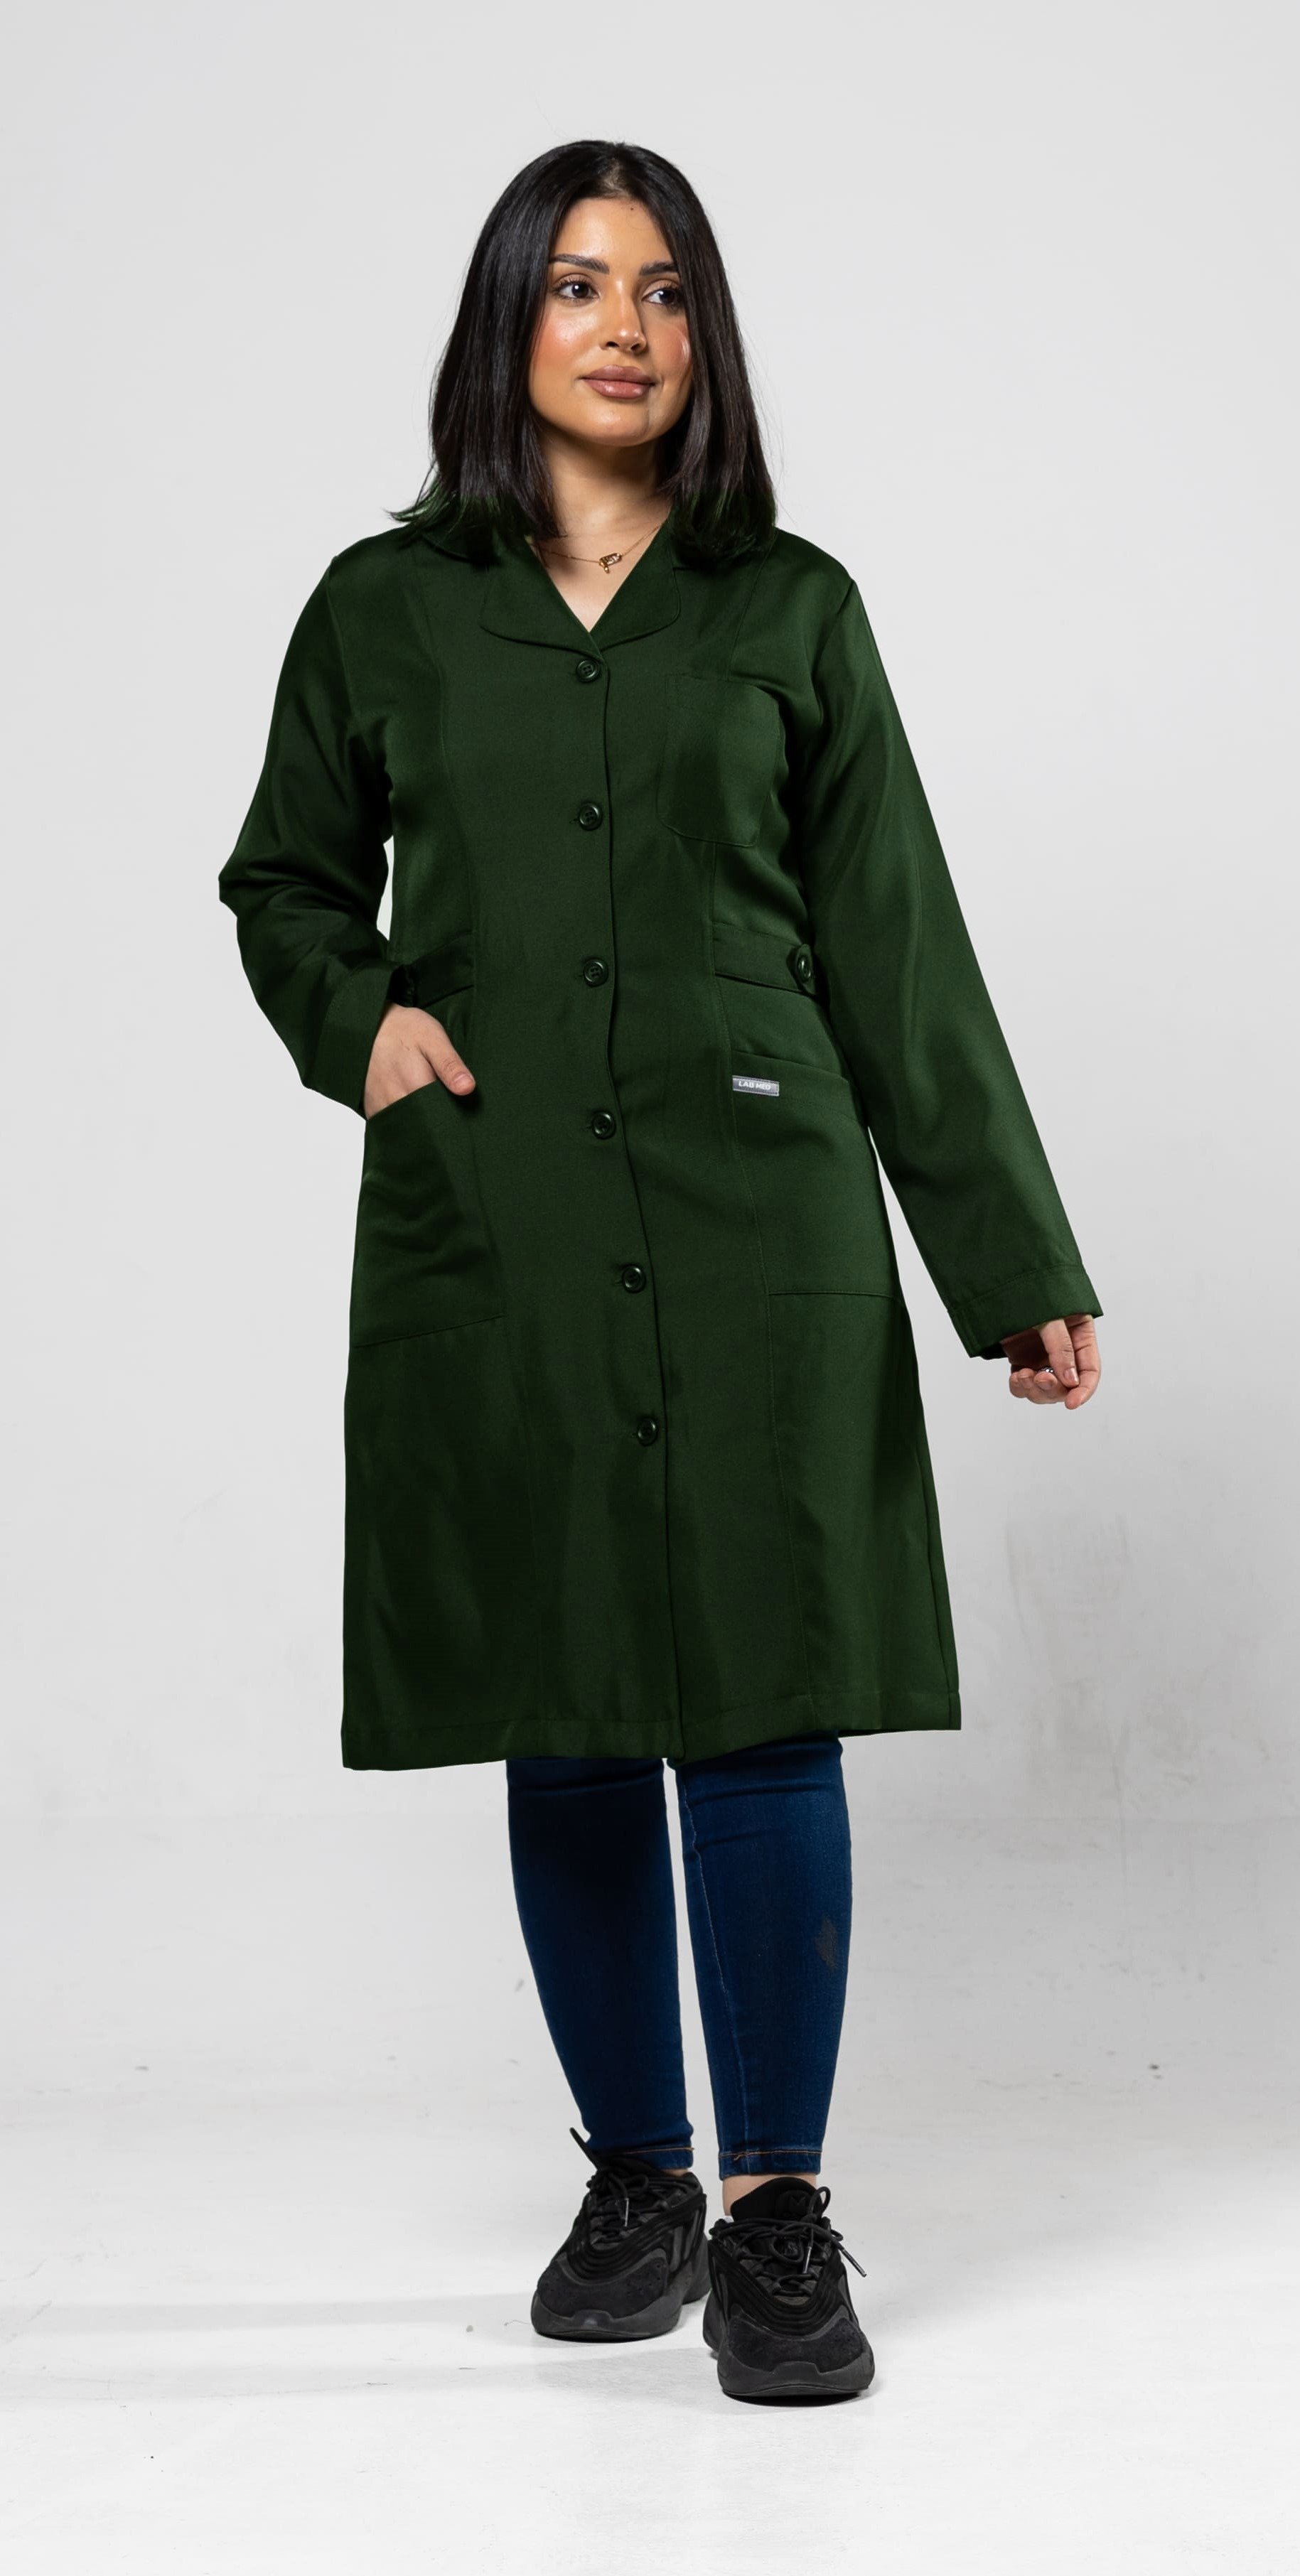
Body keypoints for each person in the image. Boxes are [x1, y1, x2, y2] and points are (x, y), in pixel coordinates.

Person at [217, 138, 1102, 2405]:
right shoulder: (384, 608)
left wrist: (1008, 1256)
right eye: (582, 283)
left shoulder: (787, 607)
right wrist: (362, 1025)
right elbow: (284, 883)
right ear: (507, 318)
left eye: (670, 289)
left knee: (763, 1692)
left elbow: (898, 946)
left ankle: (775, 2208)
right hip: (499, 1217)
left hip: (758, 1218)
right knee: (574, 1694)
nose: (629, 326)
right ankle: (636, 2172)